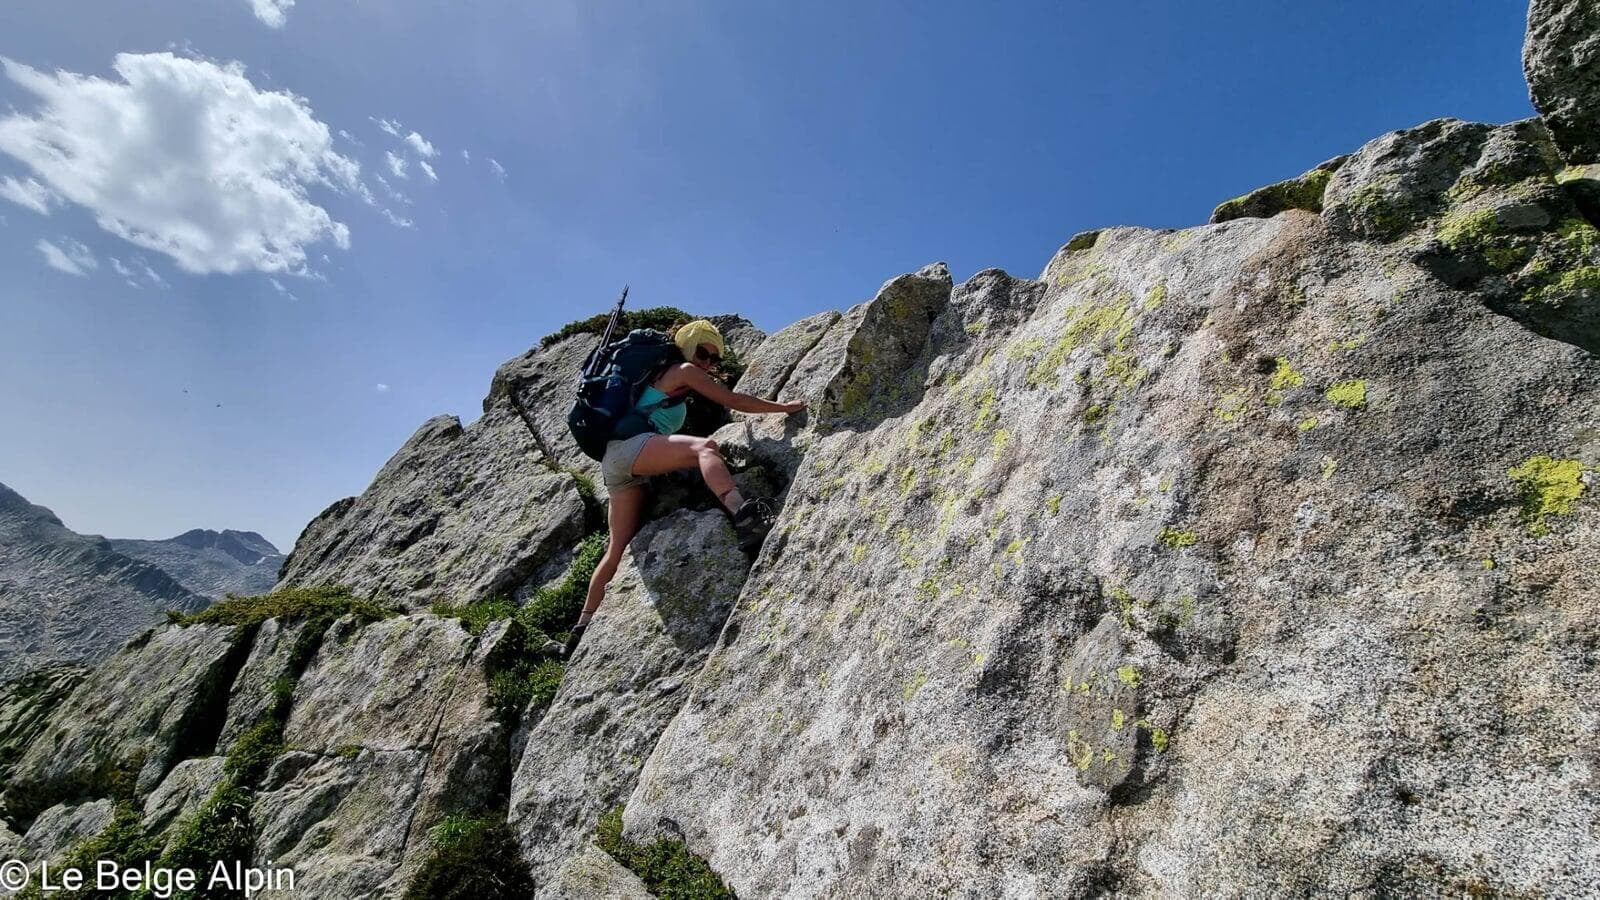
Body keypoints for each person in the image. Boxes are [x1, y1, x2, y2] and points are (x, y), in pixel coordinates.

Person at [563, 319, 806, 658]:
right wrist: (782, 408)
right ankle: (744, 514)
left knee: (615, 550)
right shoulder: (683, 370)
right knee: (705, 448)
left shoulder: (658, 375)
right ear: (690, 346)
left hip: (616, 461)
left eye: (714, 359)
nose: (708, 363)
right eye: (704, 353)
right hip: (632, 450)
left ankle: (579, 631)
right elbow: (731, 399)